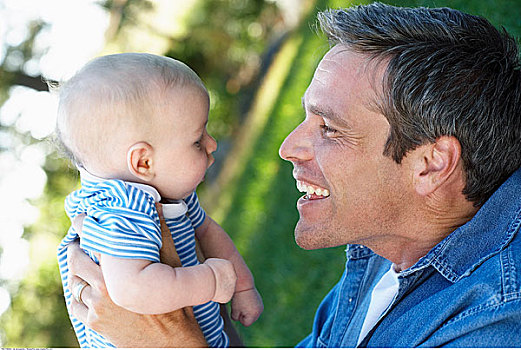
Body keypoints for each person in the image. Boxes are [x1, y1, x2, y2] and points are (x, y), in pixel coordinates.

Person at [65, 2, 521, 347]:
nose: (287, 147)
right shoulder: (387, 254)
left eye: (329, 128)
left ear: (430, 163)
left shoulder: (494, 321)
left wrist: (171, 340)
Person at [55, 53, 262, 348]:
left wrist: (243, 286)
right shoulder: (119, 212)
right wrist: (211, 282)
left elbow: (208, 232)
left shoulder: (167, 194)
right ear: (143, 162)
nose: (212, 143)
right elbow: (132, 289)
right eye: (197, 140)